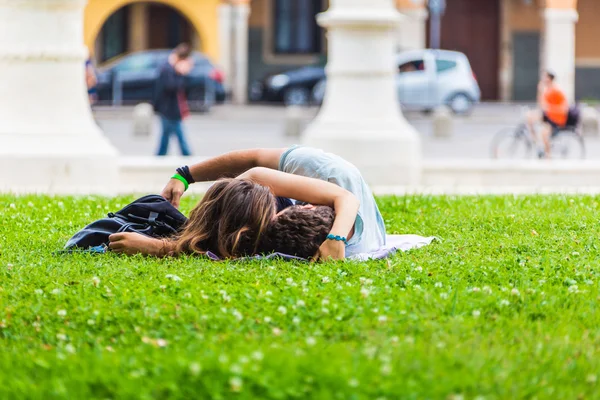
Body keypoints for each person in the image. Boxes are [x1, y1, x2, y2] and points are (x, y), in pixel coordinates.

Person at [108, 146, 387, 260]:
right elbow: (254, 165)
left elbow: (245, 254)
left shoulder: (308, 244)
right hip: (309, 185)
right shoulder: (323, 170)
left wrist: (163, 249)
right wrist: (186, 175)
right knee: (240, 200)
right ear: (306, 205)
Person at [154, 43, 194, 156]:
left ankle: (160, 156)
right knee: (177, 134)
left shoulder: (169, 67)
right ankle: (187, 156)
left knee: (166, 136)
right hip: (168, 108)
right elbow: (170, 87)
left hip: (171, 108)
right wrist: (181, 73)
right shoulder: (167, 69)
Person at [526, 71, 569, 158]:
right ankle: (536, 143)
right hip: (550, 115)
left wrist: (549, 108)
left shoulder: (556, 90)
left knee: (544, 134)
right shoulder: (548, 90)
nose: (543, 79)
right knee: (529, 117)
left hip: (556, 118)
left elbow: (564, 107)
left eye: (545, 77)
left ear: (549, 79)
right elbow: (542, 104)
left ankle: (548, 155)